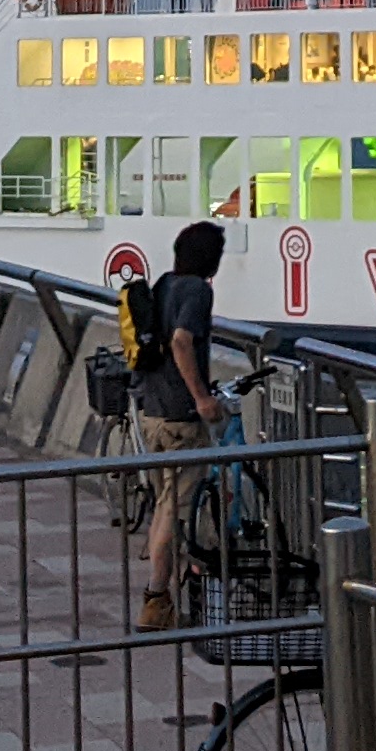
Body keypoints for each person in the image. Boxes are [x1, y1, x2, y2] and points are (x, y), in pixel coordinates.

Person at [134, 219, 229, 630]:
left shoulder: (163, 285)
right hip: (180, 419)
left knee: (163, 505)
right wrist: (202, 398)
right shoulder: (197, 291)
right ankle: (155, 600)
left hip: (151, 413)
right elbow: (180, 340)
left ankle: (165, 598)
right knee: (175, 512)